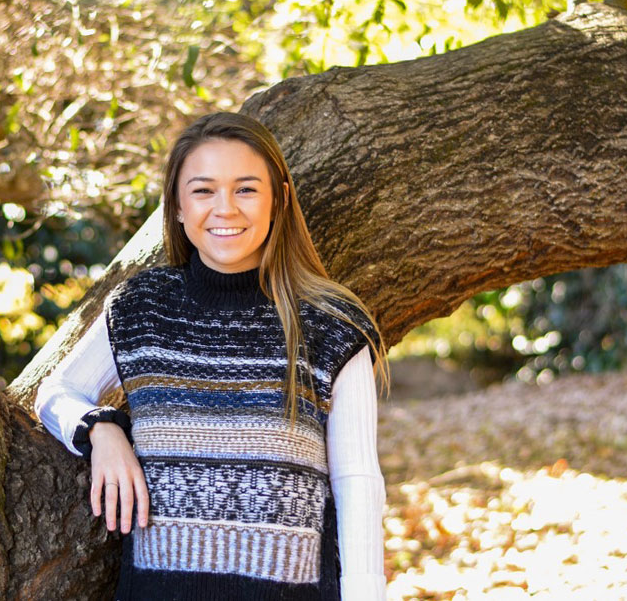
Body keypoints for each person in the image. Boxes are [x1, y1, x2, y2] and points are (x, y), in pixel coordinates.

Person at [34, 111, 391, 600]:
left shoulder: (332, 324)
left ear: (279, 201)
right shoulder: (143, 307)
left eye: (246, 189)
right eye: (203, 190)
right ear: (178, 207)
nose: (225, 208)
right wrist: (102, 429)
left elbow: (357, 480)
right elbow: (55, 391)